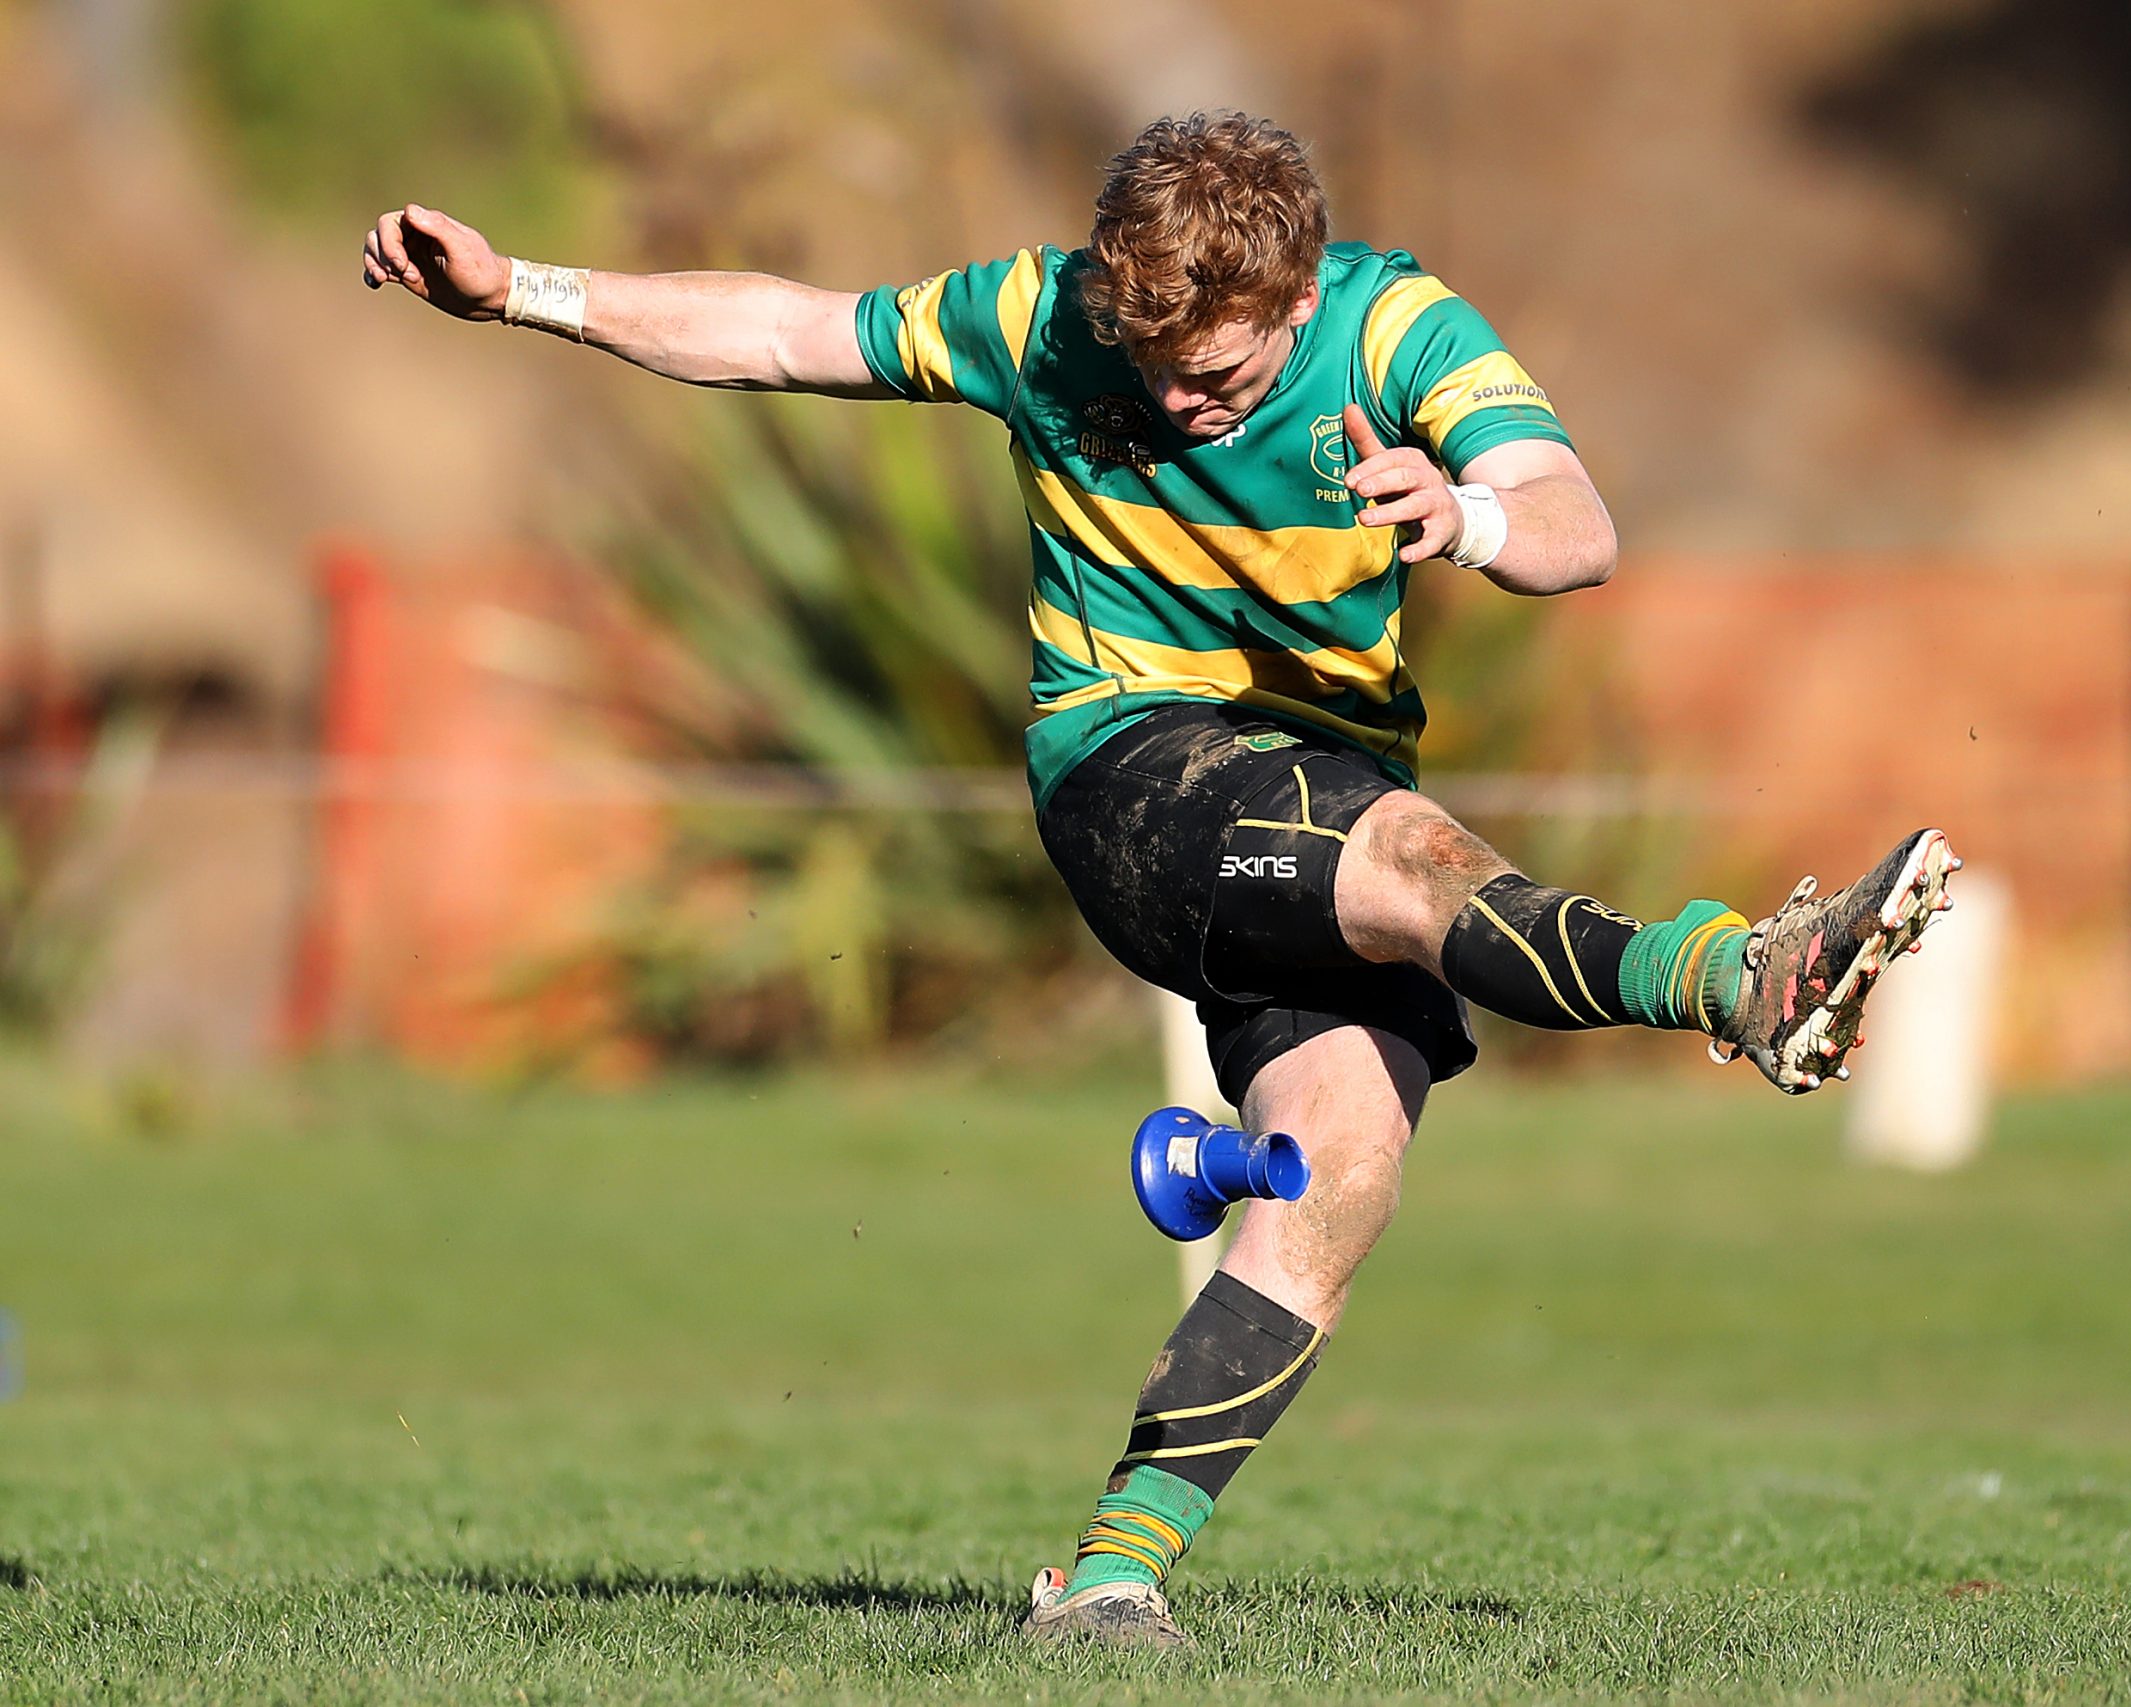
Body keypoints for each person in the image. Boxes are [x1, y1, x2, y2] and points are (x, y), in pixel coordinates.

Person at [362, 110, 1958, 1649]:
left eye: (1224, 368)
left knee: (1337, 1177)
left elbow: (1574, 527)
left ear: (1299, 292)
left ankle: (1109, 1583)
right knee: (1410, 863)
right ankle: (1736, 976)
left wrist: (1460, 512)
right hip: (1131, 773)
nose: (1185, 399)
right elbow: (792, 330)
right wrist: (523, 293)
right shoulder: (1042, 317)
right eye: (1153, 365)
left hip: (1322, 794)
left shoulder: (1398, 328)